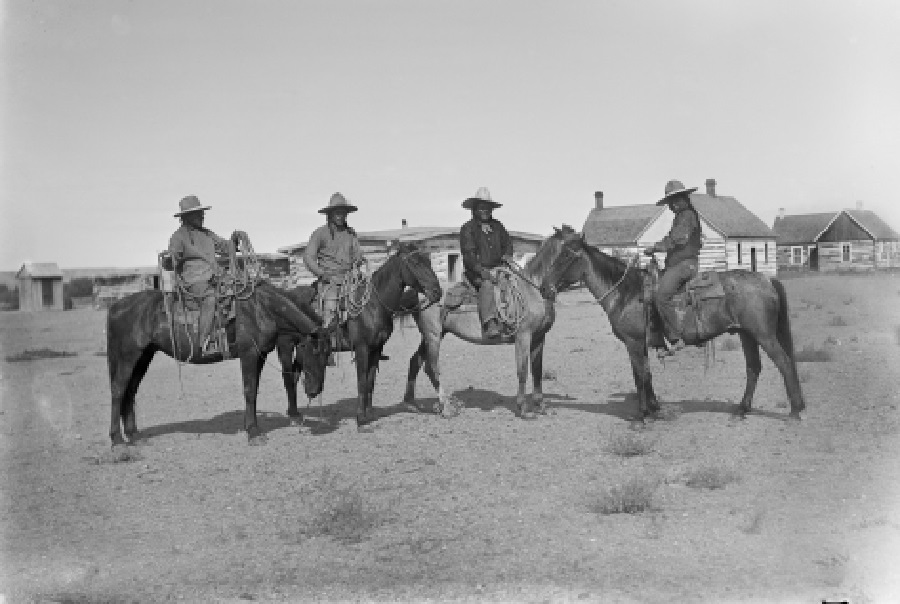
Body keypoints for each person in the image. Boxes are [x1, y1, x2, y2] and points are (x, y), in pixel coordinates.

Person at [168, 195, 236, 356]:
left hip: (214, 277)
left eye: (202, 213)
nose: (202, 216)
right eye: (197, 214)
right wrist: (170, 260)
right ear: (186, 217)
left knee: (240, 289)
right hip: (193, 281)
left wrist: (235, 240)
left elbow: (225, 247)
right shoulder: (178, 237)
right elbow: (172, 260)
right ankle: (205, 342)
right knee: (210, 297)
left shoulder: (207, 234)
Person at [643, 180, 703, 346]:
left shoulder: (687, 215)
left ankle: (677, 337)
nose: (673, 204)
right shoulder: (681, 216)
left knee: (661, 296)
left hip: (685, 264)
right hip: (679, 263)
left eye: (676, 199)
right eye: (671, 201)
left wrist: (655, 247)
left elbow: (678, 239)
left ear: (684, 198)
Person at [460, 187, 514, 339]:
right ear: (475, 209)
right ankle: (489, 323)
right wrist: (482, 271)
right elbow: (468, 255)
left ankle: (513, 318)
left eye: (487, 207)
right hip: (477, 272)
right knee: (488, 285)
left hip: (499, 268)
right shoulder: (468, 229)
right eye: (481, 207)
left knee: (514, 285)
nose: (484, 210)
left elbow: (508, 244)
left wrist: (507, 257)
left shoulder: (498, 226)